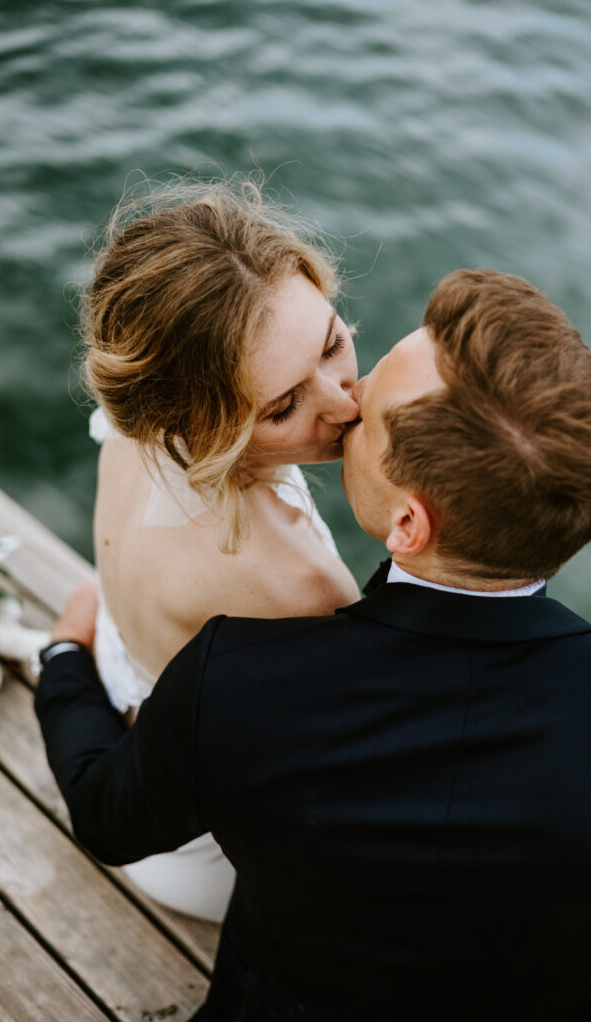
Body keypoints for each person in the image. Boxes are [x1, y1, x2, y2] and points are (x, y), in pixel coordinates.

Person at [36, 269, 591, 1020]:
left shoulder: (236, 678)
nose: (346, 404)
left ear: (407, 526)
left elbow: (106, 818)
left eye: (366, 419)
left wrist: (65, 661)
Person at [81, 179, 362, 919]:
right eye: (282, 407)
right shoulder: (295, 581)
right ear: (201, 427)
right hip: (208, 861)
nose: (344, 403)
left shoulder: (132, 429)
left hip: (129, 704)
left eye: (332, 342)